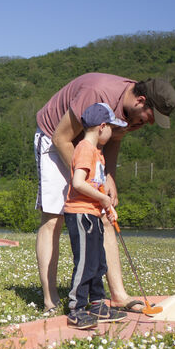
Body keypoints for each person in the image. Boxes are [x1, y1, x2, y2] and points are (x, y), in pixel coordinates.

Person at [34, 73, 175, 314]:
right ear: (141, 100)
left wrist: (109, 178)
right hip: (56, 139)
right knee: (54, 219)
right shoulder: (98, 93)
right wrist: (87, 180)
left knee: (105, 213)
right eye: (150, 118)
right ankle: (51, 300)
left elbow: (115, 139)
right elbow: (62, 138)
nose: (148, 124)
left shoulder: (132, 114)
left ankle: (119, 295)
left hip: (90, 147)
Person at [63, 103, 128, 329]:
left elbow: (96, 186)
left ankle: (98, 303)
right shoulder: (84, 149)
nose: (112, 133)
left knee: (99, 261)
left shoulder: (97, 153)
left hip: (93, 214)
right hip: (80, 214)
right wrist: (102, 199)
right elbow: (78, 183)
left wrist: (106, 206)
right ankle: (76, 308)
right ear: (102, 127)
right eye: (111, 128)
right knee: (86, 263)